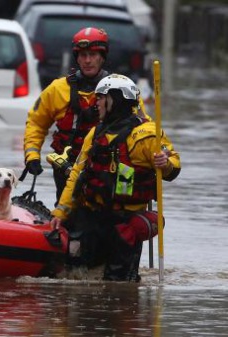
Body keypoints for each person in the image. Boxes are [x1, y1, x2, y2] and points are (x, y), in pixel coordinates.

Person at [49, 74, 181, 282]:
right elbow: (77, 174)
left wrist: (165, 164)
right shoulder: (95, 134)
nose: (96, 103)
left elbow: (173, 164)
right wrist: (60, 212)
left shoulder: (146, 135)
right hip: (91, 217)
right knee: (74, 272)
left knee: (119, 284)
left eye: (101, 98)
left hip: (123, 221)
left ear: (115, 100)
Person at [23, 27, 149, 202]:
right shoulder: (57, 89)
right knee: (70, 214)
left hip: (114, 166)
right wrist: (32, 156)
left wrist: (157, 157)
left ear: (102, 57)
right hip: (68, 165)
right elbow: (36, 123)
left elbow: (144, 127)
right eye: (83, 55)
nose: (87, 60)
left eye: (93, 55)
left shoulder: (124, 88)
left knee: (121, 208)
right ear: (77, 58)